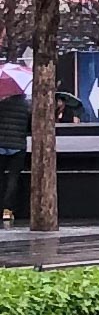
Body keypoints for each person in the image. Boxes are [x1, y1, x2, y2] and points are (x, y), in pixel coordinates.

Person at [0, 93, 31, 223]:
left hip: (1, 144)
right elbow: (29, 127)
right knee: (13, 178)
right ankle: (7, 210)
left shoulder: (2, 104)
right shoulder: (26, 106)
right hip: (18, 146)